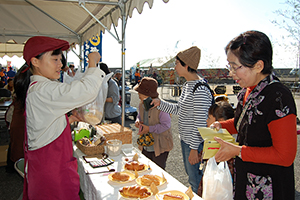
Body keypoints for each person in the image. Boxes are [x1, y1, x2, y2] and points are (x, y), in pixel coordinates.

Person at [211, 30, 297, 199]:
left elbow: (285, 156)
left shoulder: (278, 97)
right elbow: (243, 123)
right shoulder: (247, 91)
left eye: (236, 67)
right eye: (230, 66)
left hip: (269, 186)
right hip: (246, 177)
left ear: (258, 65)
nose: (231, 73)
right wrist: (222, 125)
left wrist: (237, 151)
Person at [20, 36, 105, 200]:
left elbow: (45, 126)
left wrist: (71, 119)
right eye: (55, 59)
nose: (61, 64)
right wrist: (93, 64)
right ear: (35, 62)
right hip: (51, 171)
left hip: (48, 166)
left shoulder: (39, 88)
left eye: (61, 59)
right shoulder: (43, 90)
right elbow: (85, 91)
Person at [151, 46, 213, 193]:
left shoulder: (200, 90)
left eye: (177, 63)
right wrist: (161, 104)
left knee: (196, 179)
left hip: (195, 143)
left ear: (186, 65)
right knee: (192, 178)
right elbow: (179, 109)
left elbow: (200, 124)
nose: (175, 67)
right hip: (187, 140)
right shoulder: (187, 85)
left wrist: (193, 149)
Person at [197, 100, 235, 197]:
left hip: (220, 182)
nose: (206, 121)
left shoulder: (221, 142)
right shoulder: (229, 139)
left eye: (209, 118)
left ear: (220, 121)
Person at [134, 77, 173, 170]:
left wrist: (149, 129)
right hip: (146, 144)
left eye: (140, 92)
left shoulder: (161, 107)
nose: (138, 94)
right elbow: (140, 115)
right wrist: (138, 120)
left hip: (160, 145)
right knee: (145, 168)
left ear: (147, 94)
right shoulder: (142, 104)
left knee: (157, 170)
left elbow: (166, 125)